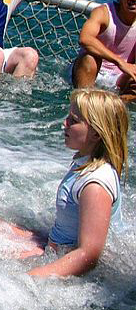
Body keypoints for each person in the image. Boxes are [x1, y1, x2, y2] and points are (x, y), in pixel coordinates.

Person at [27, 89, 128, 279]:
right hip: (55, 250)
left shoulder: (95, 184)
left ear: (96, 133)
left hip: (70, 269)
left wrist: (29, 278)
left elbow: (88, 255)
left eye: (73, 121)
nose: (64, 124)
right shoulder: (85, 164)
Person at [71, 0, 136, 100]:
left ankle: (116, 105)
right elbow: (85, 39)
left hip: (120, 78)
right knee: (91, 58)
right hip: (90, 72)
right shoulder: (104, 13)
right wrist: (120, 62)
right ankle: (84, 104)